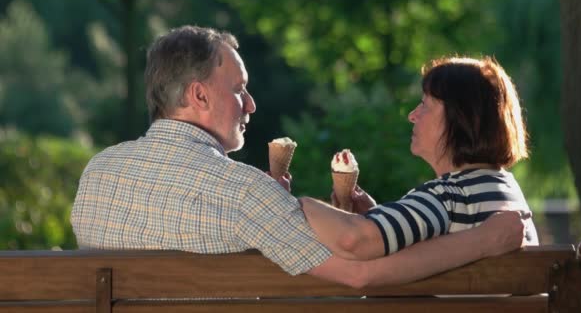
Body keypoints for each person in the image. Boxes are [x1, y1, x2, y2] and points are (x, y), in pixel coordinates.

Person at [71, 26, 528, 288]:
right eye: (238, 90)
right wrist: (299, 204)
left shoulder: (96, 174)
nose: (250, 104)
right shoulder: (245, 193)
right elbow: (358, 272)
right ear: (198, 95)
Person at [300, 56, 539, 260]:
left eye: (425, 104)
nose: (412, 115)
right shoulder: (505, 189)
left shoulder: (448, 196)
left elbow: (355, 239)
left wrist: (292, 207)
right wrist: (377, 214)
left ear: (460, 118)